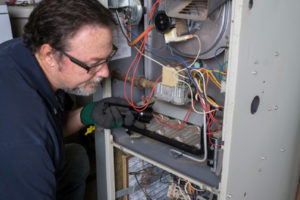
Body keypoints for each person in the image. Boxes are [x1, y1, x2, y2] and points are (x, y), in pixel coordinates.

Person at [0, 0, 134, 199]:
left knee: (77, 159)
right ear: (50, 55)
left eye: (107, 58)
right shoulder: (25, 142)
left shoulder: (23, 51)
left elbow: (51, 127)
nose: (105, 72)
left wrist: (88, 113)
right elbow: (38, 134)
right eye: (94, 63)